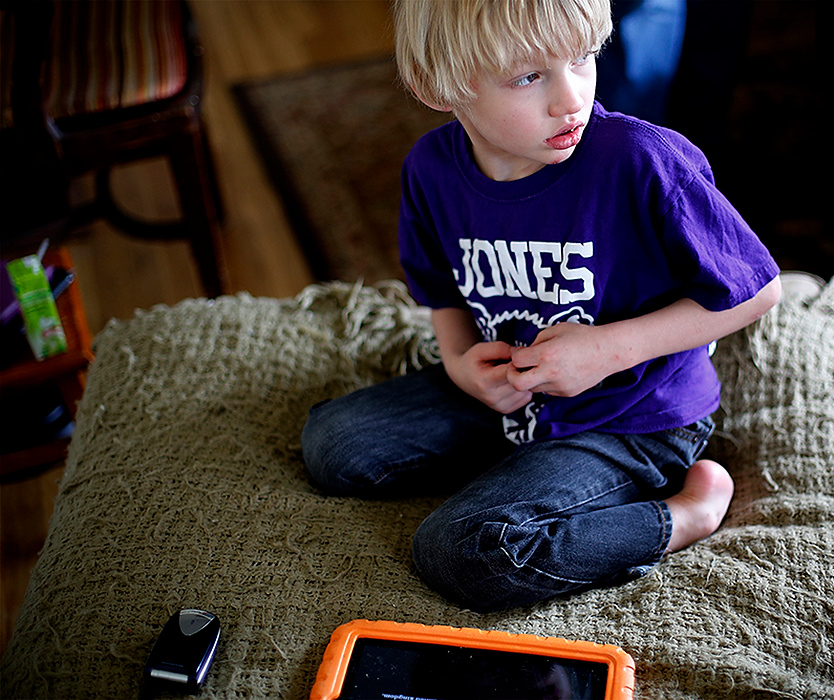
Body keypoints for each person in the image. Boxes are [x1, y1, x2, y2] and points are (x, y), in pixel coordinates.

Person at [302, 0, 781, 613]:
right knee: (333, 446)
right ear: (436, 86)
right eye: (528, 77)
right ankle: (528, 472)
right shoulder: (430, 169)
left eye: (582, 58)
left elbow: (757, 289)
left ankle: (680, 516)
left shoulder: (642, 160)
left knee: (461, 549)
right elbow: (441, 290)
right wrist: (457, 362)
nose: (570, 99)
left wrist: (609, 349)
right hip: (510, 394)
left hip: (632, 415)